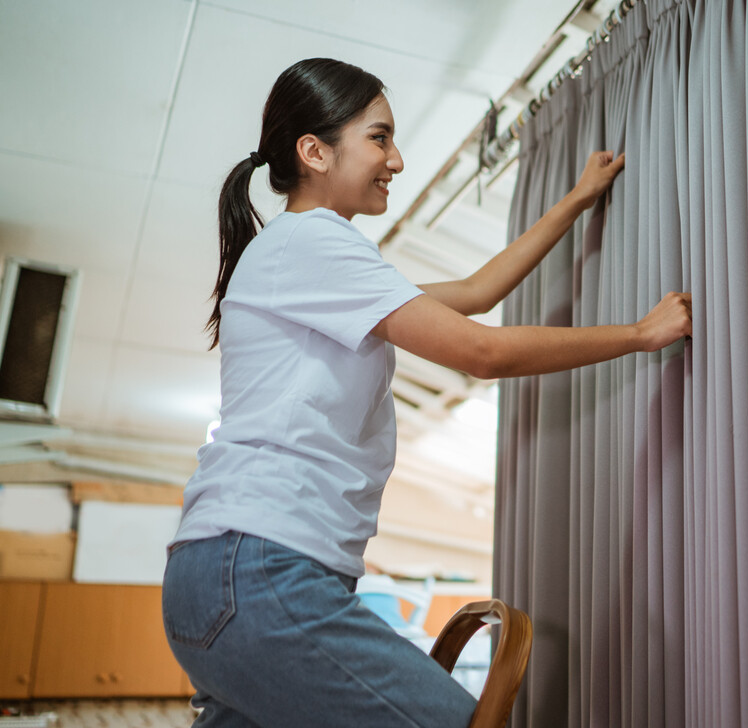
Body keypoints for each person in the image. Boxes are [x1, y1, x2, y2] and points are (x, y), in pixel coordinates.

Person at [161, 57, 692, 728]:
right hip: (261, 571)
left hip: (222, 581)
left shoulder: (304, 262)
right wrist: (640, 334)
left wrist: (577, 200)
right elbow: (483, 351)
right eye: (380, 137)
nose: (398, 160)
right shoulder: (314, 243)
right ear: (314, 151)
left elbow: (476, 293)